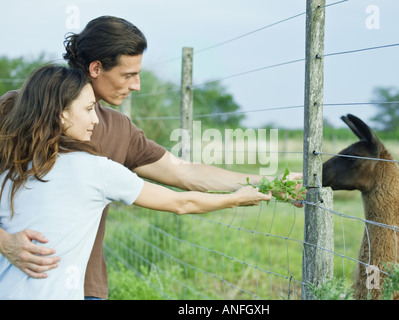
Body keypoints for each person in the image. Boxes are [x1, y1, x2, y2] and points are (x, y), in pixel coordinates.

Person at [0, 16, 304, 300]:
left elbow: (184, 174)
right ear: (95, 68)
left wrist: (270, 184)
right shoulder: (18, 109)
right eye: (128, 75)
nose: (137, 86)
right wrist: (6, 243)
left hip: (84, 285)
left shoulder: (118, 128)